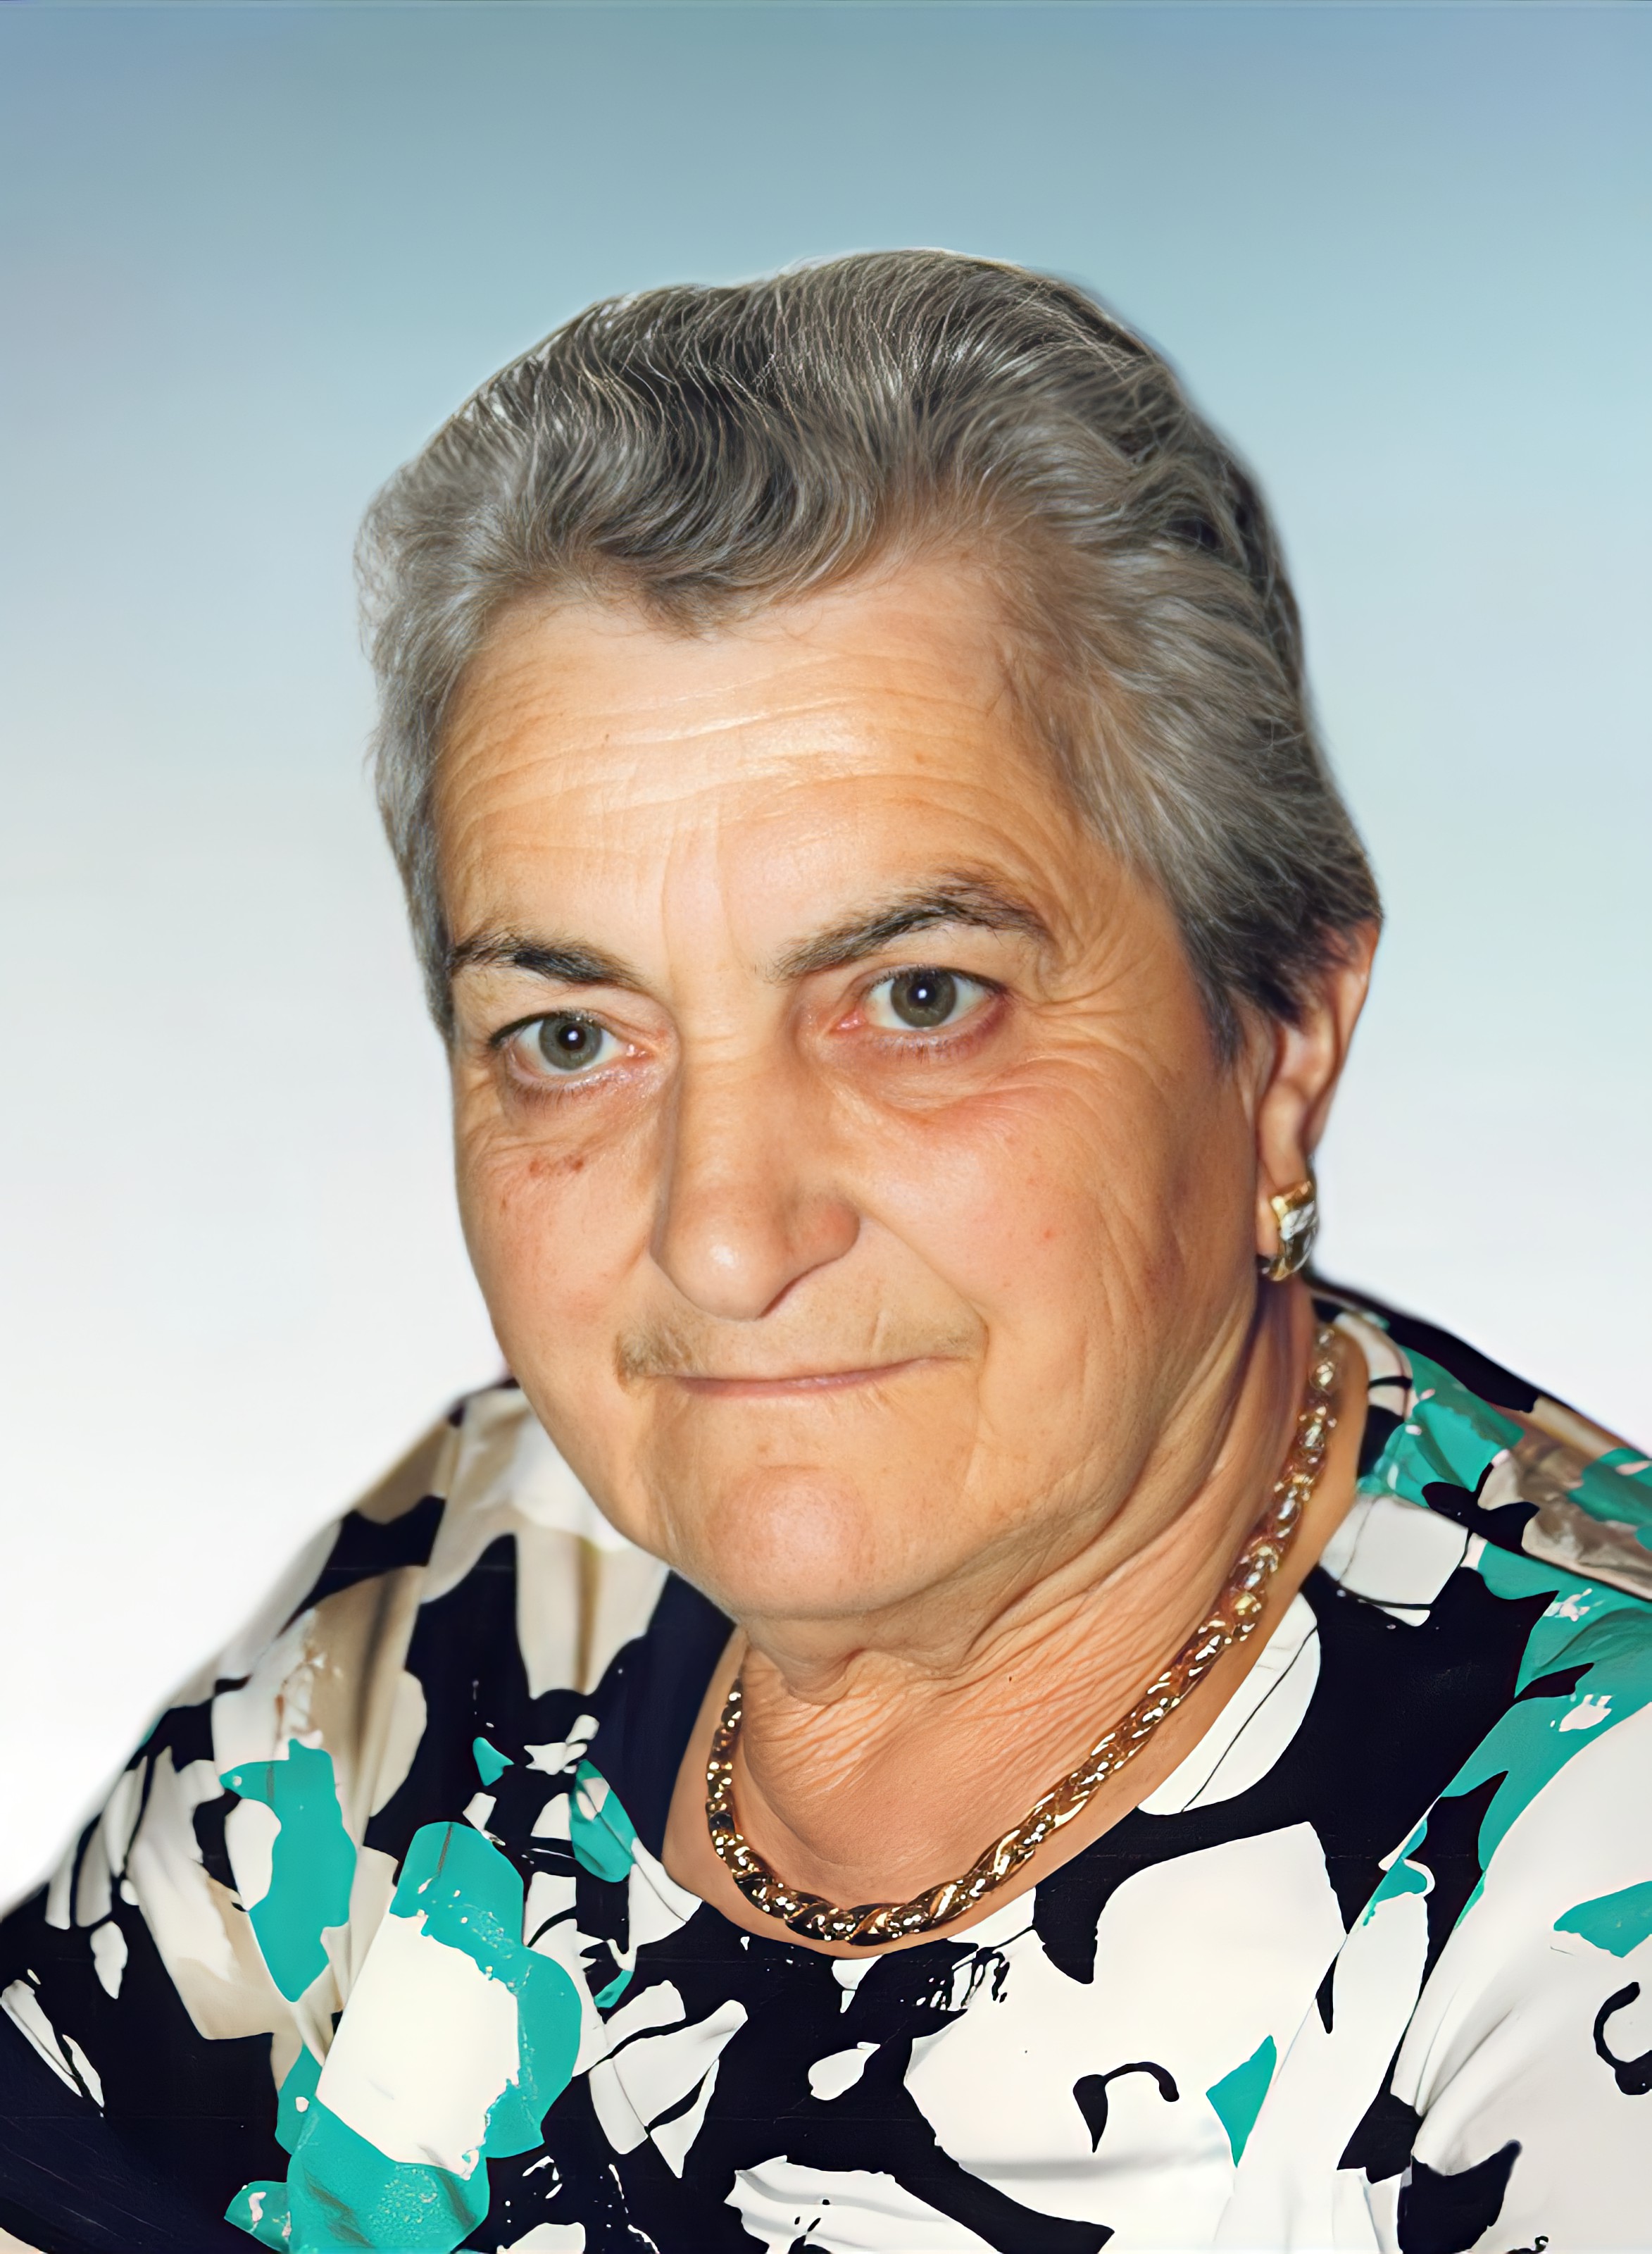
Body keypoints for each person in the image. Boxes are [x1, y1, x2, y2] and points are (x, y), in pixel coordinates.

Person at [3, 251, 1649, 2254]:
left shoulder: (1586, 1870)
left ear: (1281, 1040)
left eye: (919, 1000)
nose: (718, 1238)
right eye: (571, 1036)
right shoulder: (492, 1568)